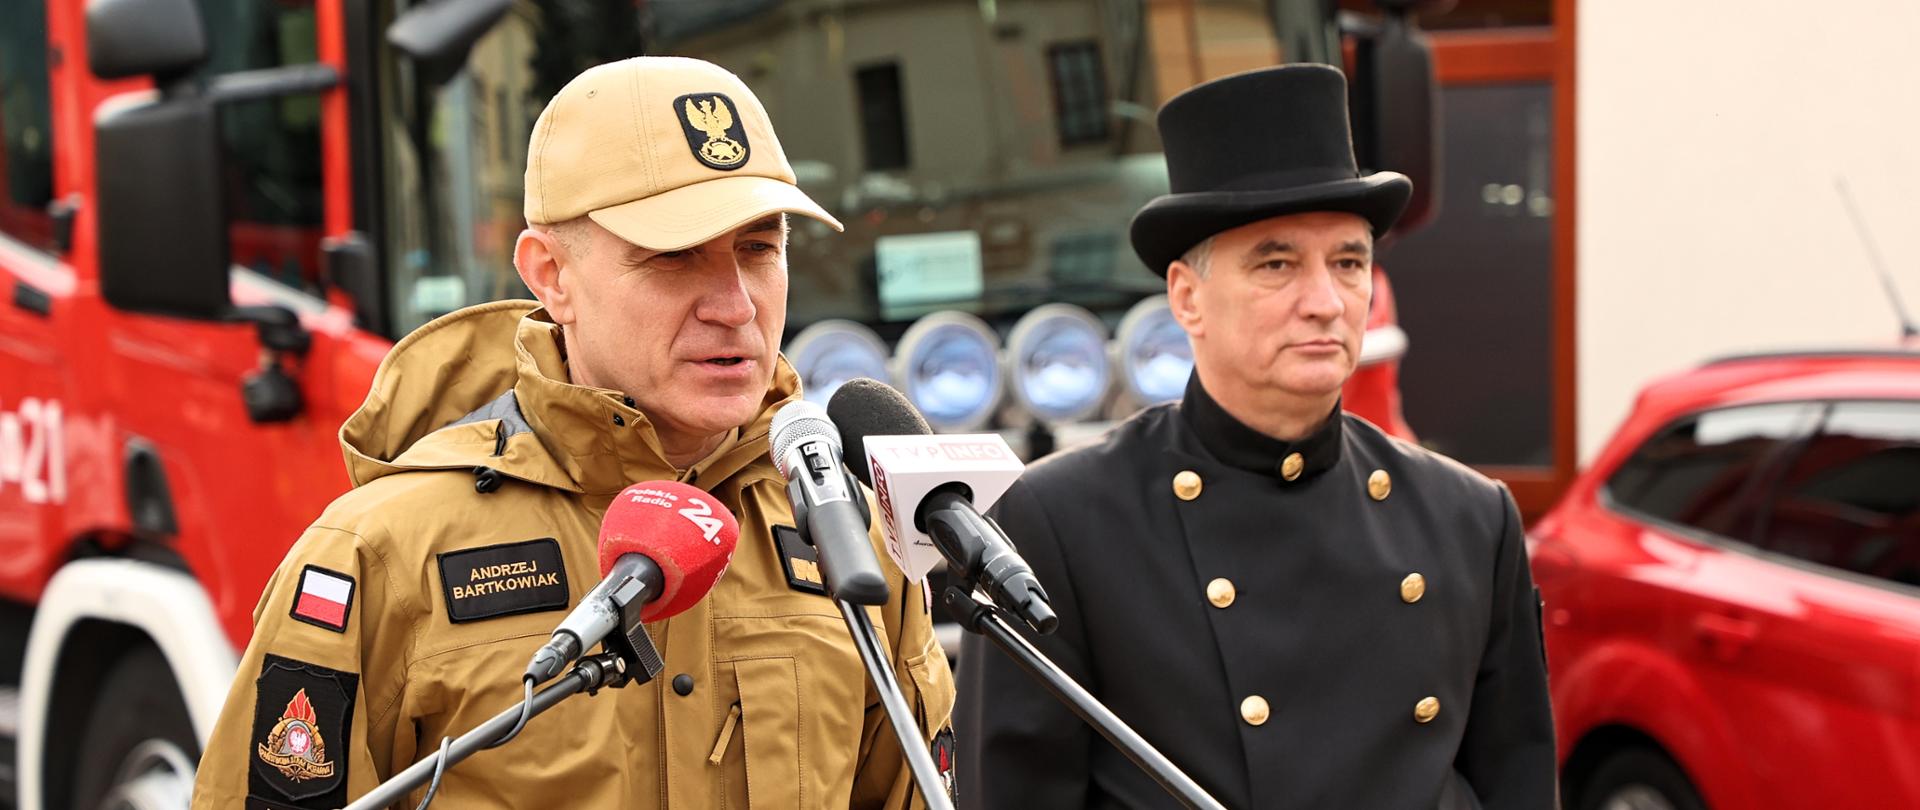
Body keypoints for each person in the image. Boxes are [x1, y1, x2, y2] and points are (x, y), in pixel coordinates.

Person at [191, 56, 954, 810]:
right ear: (551, 275)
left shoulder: (849, 539)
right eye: (673, 256)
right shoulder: (381, 554)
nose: (735, 305)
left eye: (759, 249)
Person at [955, 64, 1554, 809]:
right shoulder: (1059, 524)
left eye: (1349, 262)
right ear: (1186, 297)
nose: (1325, 302)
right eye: (1276, 264)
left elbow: (1518, 784)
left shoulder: (1470, 518)